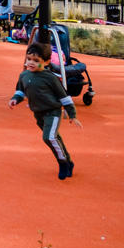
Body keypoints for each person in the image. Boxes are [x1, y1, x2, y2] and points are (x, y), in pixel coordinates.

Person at [9, 42, 82, 180]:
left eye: (36, 61)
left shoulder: (50, 77)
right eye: (29, 59)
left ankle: (63, 163)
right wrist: (15, 99)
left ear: (47, 62)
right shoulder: (24, 75)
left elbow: (64, 97)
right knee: (54, 139)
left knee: (49, 137)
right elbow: (20, 90)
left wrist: (72, 114)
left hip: (53, 112)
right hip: (38, 114)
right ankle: (68, 161)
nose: (31, 63)